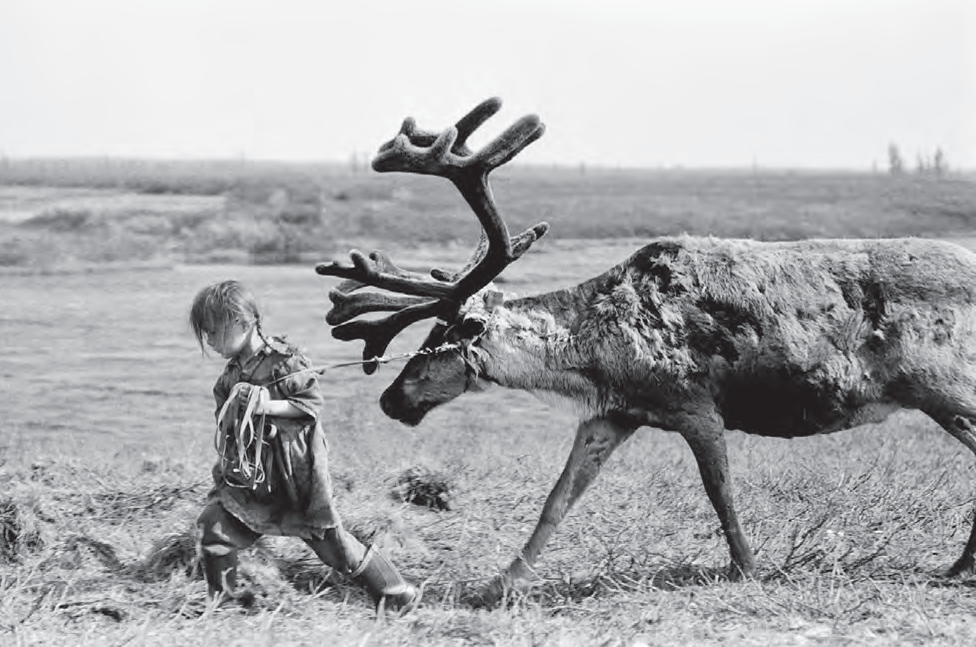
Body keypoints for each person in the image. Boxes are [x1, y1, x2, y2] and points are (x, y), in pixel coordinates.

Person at [188, 280, 418, 613]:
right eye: (205, 334)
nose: (209, 341)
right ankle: (222, 603)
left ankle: (395, 591)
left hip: (295, 473)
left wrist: (265, 405)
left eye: (213, 332)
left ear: (241, 321)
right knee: (214, 524)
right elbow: (225, 429)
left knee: (332, 546)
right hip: (253, 478)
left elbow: (310, 405)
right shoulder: (228, 379)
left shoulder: (285, 362)